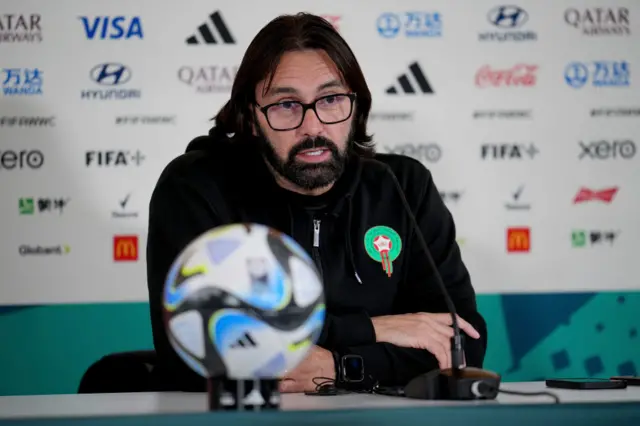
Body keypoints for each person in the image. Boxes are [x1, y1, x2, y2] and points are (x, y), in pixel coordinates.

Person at [146, 12, 487, 394]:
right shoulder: (198, 188)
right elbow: (202, 351)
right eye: (286, 105)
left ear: (355, 107)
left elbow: (463, 345)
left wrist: (339, 367)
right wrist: (376, 329)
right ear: (251, 117)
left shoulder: (403, 186)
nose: (313, 127)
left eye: (330, 99)